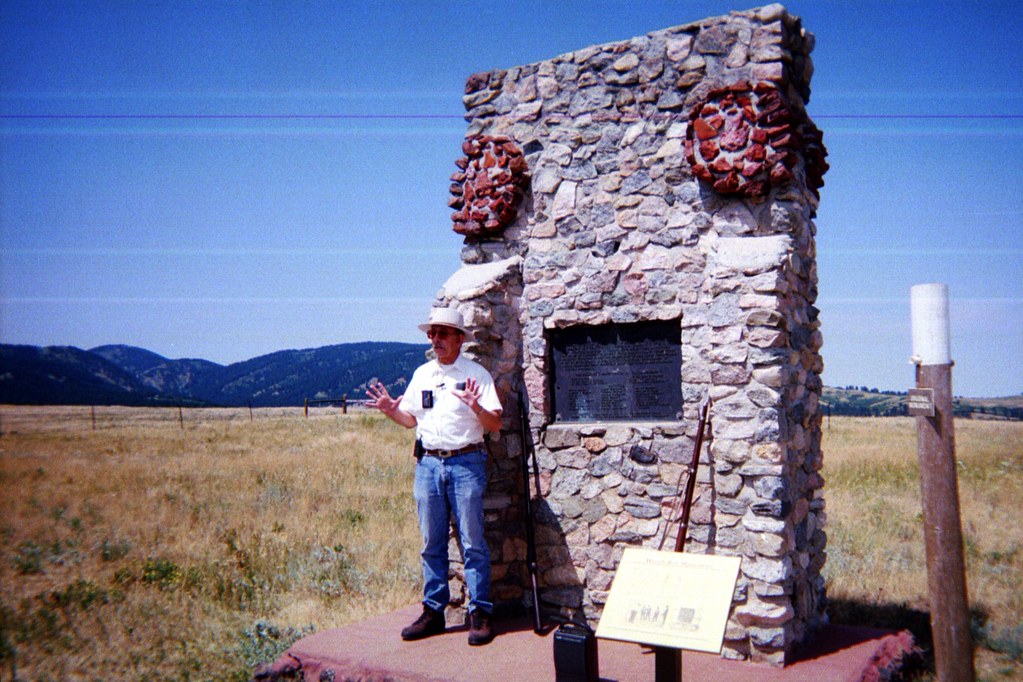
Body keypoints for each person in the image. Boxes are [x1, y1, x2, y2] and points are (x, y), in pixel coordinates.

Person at [366, 307, 503, 646]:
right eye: (432, 334)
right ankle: (433, 611)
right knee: (431, 542)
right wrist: (390, 411)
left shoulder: (476, 375)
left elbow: (496, 424)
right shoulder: (422, 374)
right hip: (428, 465)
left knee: (473, 541)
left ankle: (480, 612)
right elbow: (410, 420)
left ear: (459, 338)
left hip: (466, 463)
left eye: (443, 333)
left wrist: (476, 406)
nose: (436, 339)